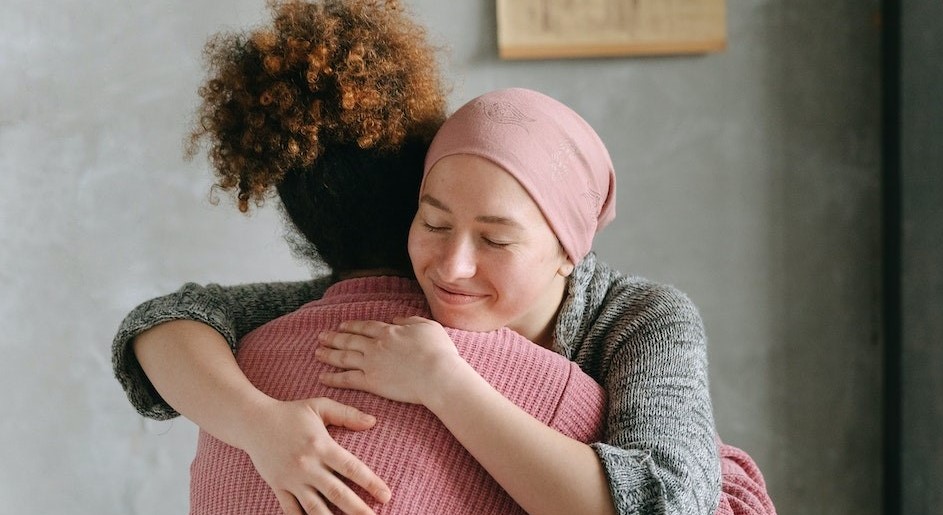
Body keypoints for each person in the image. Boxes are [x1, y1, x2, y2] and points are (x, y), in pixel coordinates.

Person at [113, 2, 774, 514]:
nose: (452, 266)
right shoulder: (403, 285)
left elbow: (668, 502)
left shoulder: (640, 319)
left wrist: (446, 384)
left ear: (567, 252)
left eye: (495, 239)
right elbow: (167, 321)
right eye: (433, 222)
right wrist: (263, 426)